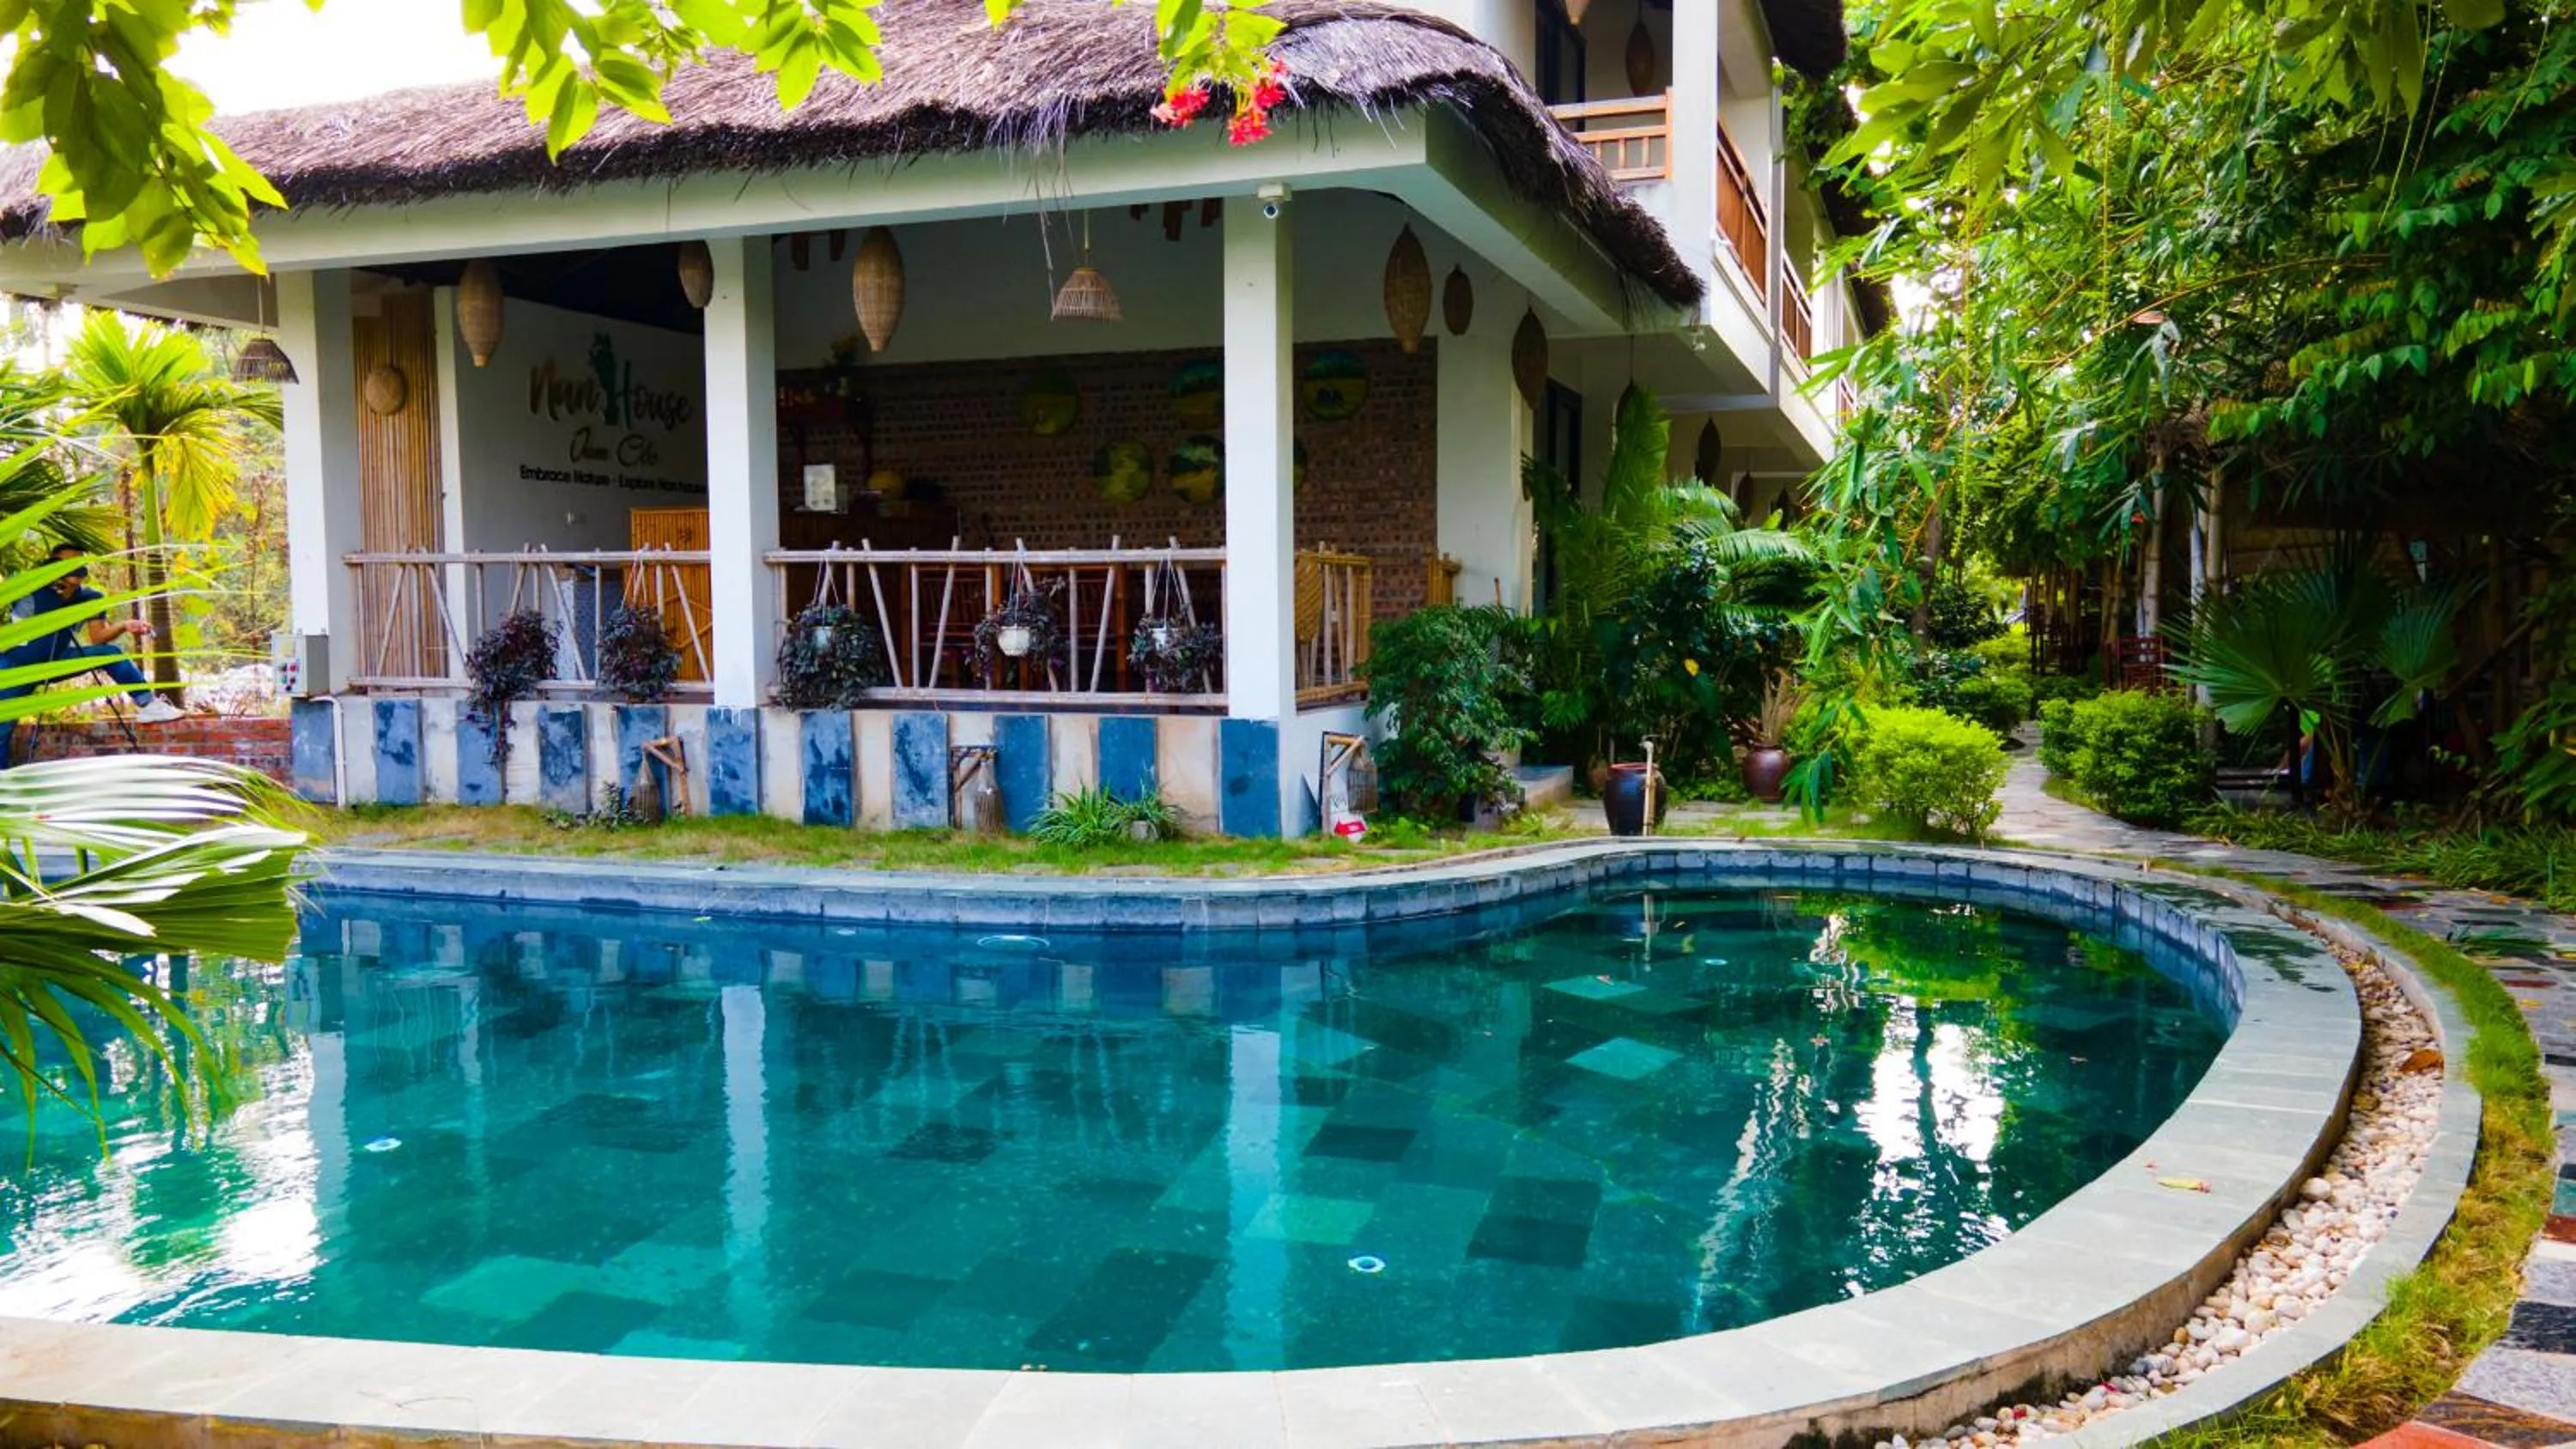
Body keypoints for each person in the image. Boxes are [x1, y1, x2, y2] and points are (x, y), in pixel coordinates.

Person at [0, 543, 184, 765]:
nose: (76, 569)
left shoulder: (90, 597)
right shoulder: (30, 588)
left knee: (110, 653)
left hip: (57, 661)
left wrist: (125, 625)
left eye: (80, 563)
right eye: (68, 563)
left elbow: (98, 637)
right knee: (3, 730)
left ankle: (148, 705)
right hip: (15, 667)